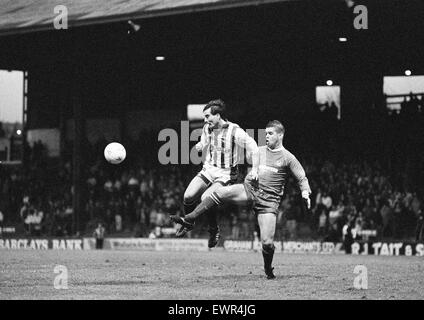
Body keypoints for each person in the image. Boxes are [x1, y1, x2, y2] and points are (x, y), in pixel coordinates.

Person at [171, 120, 311, 279]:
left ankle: (267, 269)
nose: (266, 136)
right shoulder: (259, 151)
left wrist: (305, 192)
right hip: (249, 190)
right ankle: (189, 218)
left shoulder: (288, 158)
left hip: (268, 202)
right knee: (218, 192)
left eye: (270, 133)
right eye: (265, 133)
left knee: (267, 243)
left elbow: (302, 177)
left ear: (280, 135)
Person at [177, 99, 259, 248]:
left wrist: (254, 169)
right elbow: (204, 140)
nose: (205, 120)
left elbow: (253, 146)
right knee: (188, 196)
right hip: (209, 169)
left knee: (205, 197)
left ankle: (213, 230)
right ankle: (189, 224)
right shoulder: (207, 127)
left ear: (218, 115)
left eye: (208, 116)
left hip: (226, 173)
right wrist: (201, 145)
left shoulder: (235, 131)